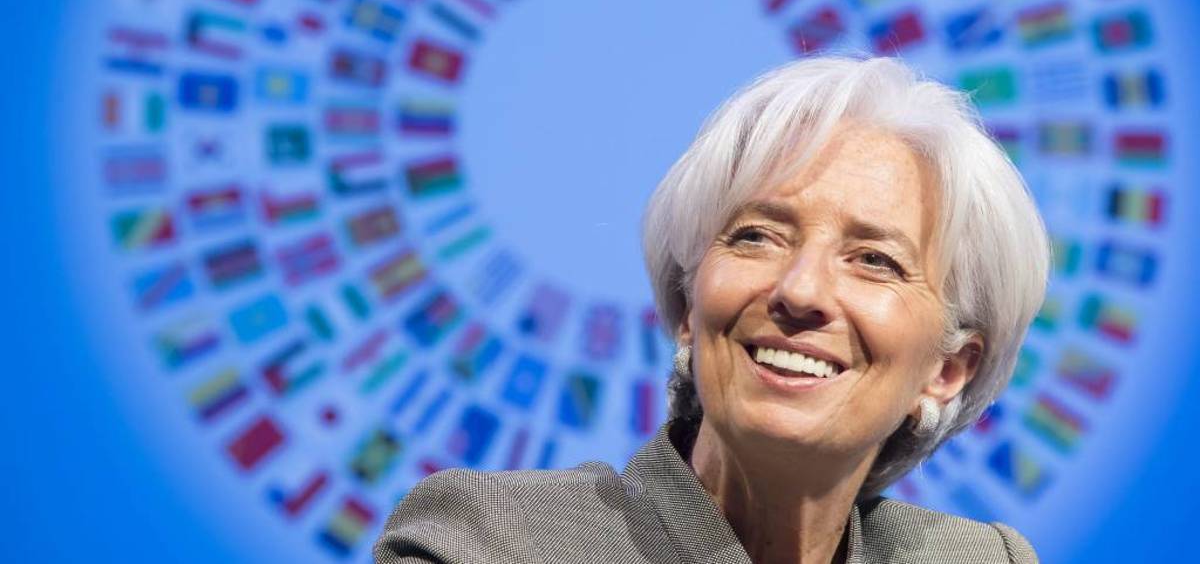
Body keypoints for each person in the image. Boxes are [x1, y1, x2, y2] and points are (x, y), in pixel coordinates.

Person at [374, 56, 1048, 563]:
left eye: (874, 259)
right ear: (689, 307)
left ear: (947, 370)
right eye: (757, 237)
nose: (801, 291)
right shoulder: (490, 541)